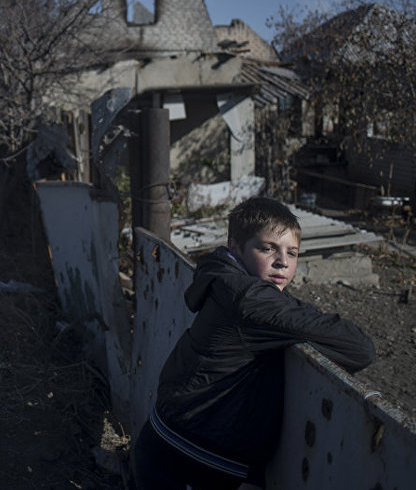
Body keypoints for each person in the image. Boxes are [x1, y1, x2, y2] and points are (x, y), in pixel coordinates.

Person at [132, 197, 375, 489]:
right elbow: (361, 348)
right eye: (268, 248)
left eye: (292, 253)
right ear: (235, 246)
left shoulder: (226, 280)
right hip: (189, 457)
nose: (283, 262)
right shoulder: (249, 299)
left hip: (172, 440)